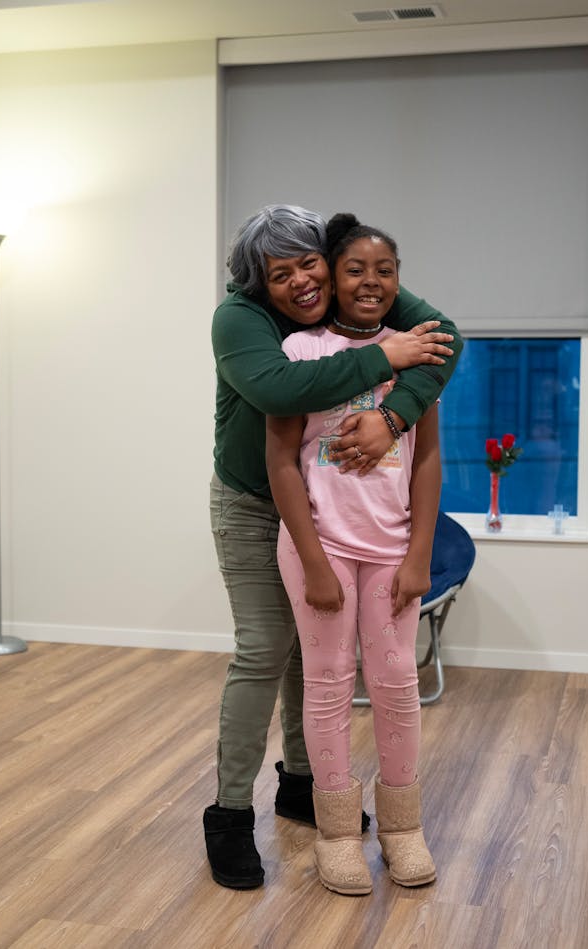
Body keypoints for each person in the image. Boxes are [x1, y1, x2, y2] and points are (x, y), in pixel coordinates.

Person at [207, 204, 462, 889]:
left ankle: (312, 792)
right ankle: (233, 815)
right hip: (260, 506)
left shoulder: (372, 300)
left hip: (372, 534)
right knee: (269, 651)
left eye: (309, 262)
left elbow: (444, 347)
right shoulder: (253, 324)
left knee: (357, 675)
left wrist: (391, 412)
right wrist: (389, 358)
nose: (301, 280)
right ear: (259, 281)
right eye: (279, 272)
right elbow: (279, 394)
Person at [265, 213, 439, 895]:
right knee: (329, 683)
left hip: (394, 549)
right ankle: (338, 832)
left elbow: (427, 460)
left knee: (397, 686)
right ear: (331, 279)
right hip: (322, 546)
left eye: (385, 270)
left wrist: (419, 552)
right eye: (355, 269)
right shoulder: (302, 350)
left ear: (398, 281)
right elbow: (281, 460)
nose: (371, 281)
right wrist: (311, 560)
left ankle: (402, 826)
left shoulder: (417, 348)